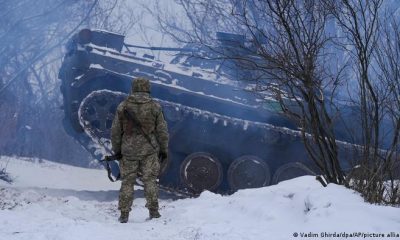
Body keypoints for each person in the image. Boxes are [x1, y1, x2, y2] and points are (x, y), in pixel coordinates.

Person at [111, 77, 169, 223]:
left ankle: (124, 214)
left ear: (134, 88)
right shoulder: (155, 106)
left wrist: (117, 150)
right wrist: (164, 149)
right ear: (147, 88)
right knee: (150, 181)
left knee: (127, 182)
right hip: (149, 151)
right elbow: (162, 131)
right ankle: (154, 212)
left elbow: (115, 132)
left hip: (128, 151)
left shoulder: (123, 106)